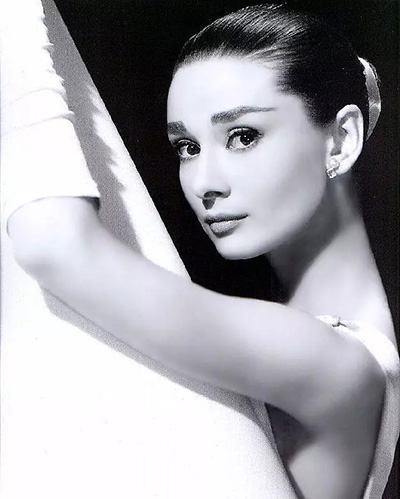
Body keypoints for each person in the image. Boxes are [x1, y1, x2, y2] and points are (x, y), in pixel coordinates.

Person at [2, 2, 399, 498]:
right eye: (187, 147)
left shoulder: (332, 363)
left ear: (340, 140)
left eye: (243, 136)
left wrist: (14, 19)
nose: (203, 183)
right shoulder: (319, 344)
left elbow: (53, 241)